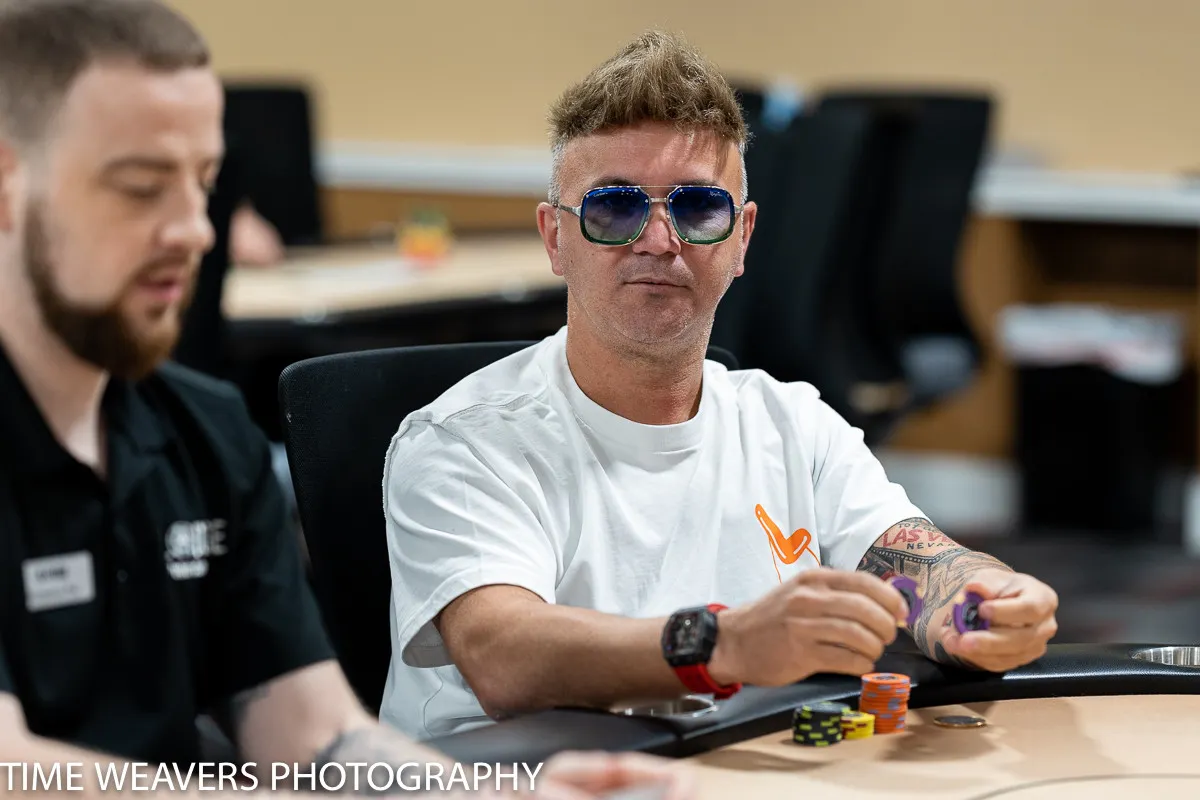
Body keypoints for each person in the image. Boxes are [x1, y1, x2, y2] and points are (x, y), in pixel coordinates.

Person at [0, 2, 693, 798]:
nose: (195, 231)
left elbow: (315, 737)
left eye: (204, 185)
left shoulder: (206, 432)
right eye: (140, 188)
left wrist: (497, 794)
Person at [380, 30, 1060, 740]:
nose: (659, 240)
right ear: (556, 238)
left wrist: (985, 601)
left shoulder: (791, 422)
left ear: (742, 239)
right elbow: (503, 657)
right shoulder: (465, 441)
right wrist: (721, 645)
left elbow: (918, 566)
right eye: (614, 209)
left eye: (699, 209)